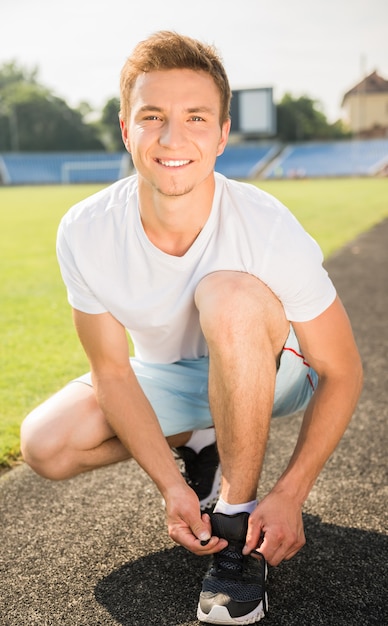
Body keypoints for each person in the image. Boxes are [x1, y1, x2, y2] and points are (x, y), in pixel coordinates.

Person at [20, 31, 363, 625]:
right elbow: (111, 371)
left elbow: (341, 369)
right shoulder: (85, 230)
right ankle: (198, 447)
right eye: (152, 117)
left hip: (277, 369)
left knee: (227, 294)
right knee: (44, 444)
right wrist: (169, 488)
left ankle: (237, 530)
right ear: (127, 129)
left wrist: (290, 494)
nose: (172, 138)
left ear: (224, 133)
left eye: (196, 117)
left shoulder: (267, 226)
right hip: (173, 377)